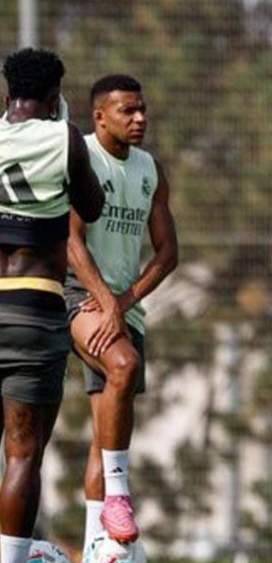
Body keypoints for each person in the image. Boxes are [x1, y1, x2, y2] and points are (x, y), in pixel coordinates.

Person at [0, 47, 104, 563]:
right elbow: (93, 207)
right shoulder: (62, 138)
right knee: (22, 452)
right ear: (54, 96)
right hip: (34, 308)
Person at [65, 74, 178, 548]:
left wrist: (126, 301)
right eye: (128, 111)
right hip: (80, 294)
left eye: (142, 109)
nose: (140, 118)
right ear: (99, 116)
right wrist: (105, 300)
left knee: (105, 434)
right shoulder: (83, 158)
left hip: (120, 308)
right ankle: (118, 495)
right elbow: (70, 240)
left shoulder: (150, 169)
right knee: (123, 363)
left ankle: (99, 547)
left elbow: (168, 251)